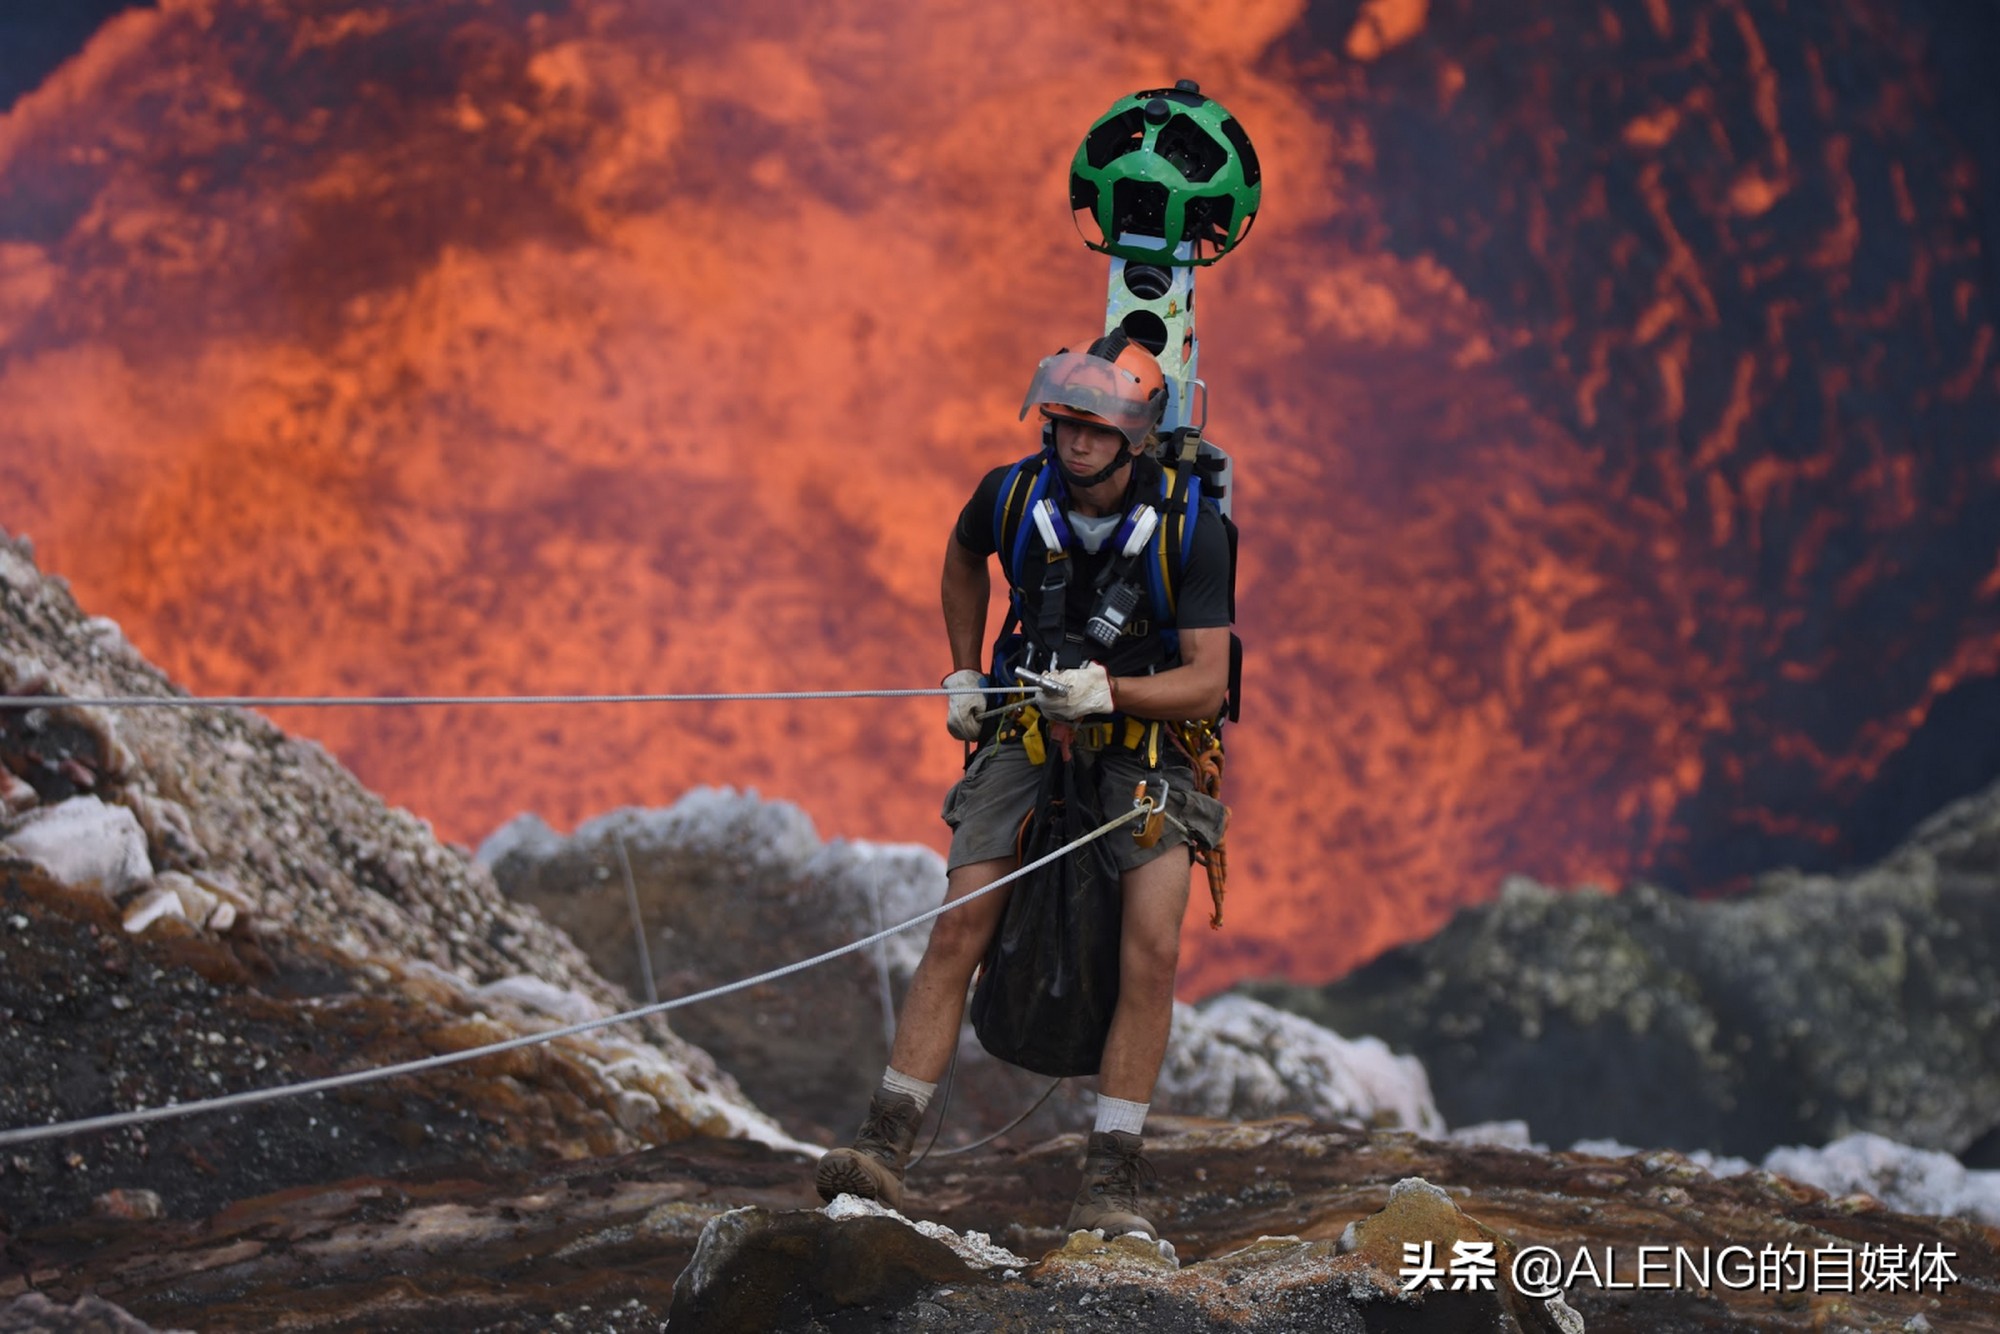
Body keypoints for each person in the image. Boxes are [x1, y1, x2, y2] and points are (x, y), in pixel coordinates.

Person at [814, 331, 1232, 1240]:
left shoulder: (1194, 530)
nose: (1074, 441)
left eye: (1095, 428)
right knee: (964, 914)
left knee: (1150, 949)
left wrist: (1110, 690)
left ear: (1136, 438)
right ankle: (882, 1146)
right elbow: (964, 556)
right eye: (1066, 422)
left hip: (1147, 750)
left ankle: (1111, 1182)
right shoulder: (1010, 494)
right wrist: (963, 672)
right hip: (1025, 726)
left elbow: (1207, 680)